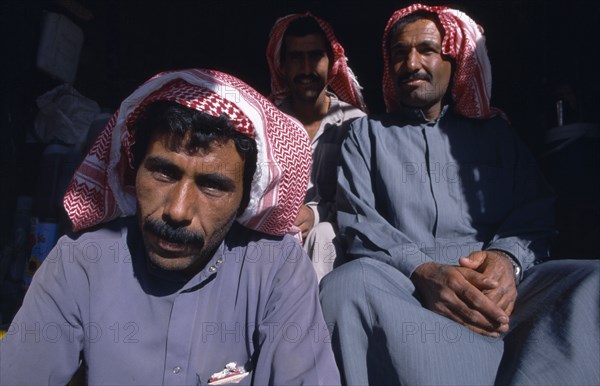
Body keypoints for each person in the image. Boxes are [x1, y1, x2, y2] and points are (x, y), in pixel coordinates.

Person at [0, 69, 341, 385]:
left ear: (245, 199)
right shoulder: (82, 262)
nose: (177, 211)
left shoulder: (276, 269)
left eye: (212, 186)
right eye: (164, 173)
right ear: (135, 171)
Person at [320, 4, 600, 386]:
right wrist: (425, 272)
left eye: (427, 50)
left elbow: (535, 211)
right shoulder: (367, 135)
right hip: (407, 291)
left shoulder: (497, 135)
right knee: (346, 286)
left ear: (454, 62)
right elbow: (359, 221)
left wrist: (507, 259)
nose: (411, 63)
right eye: (400, 53)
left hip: (498, 293)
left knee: (591, 281)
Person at [266, 13, 367, 281]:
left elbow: (363, 203)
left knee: (323, 236)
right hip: (274, 231)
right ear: (283, 65)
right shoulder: (266, 122)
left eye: (315, 56)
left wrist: (314, 213)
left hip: (332, 236)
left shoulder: (354, 123)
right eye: (296, 57)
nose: (307, 68)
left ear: (331, 63)